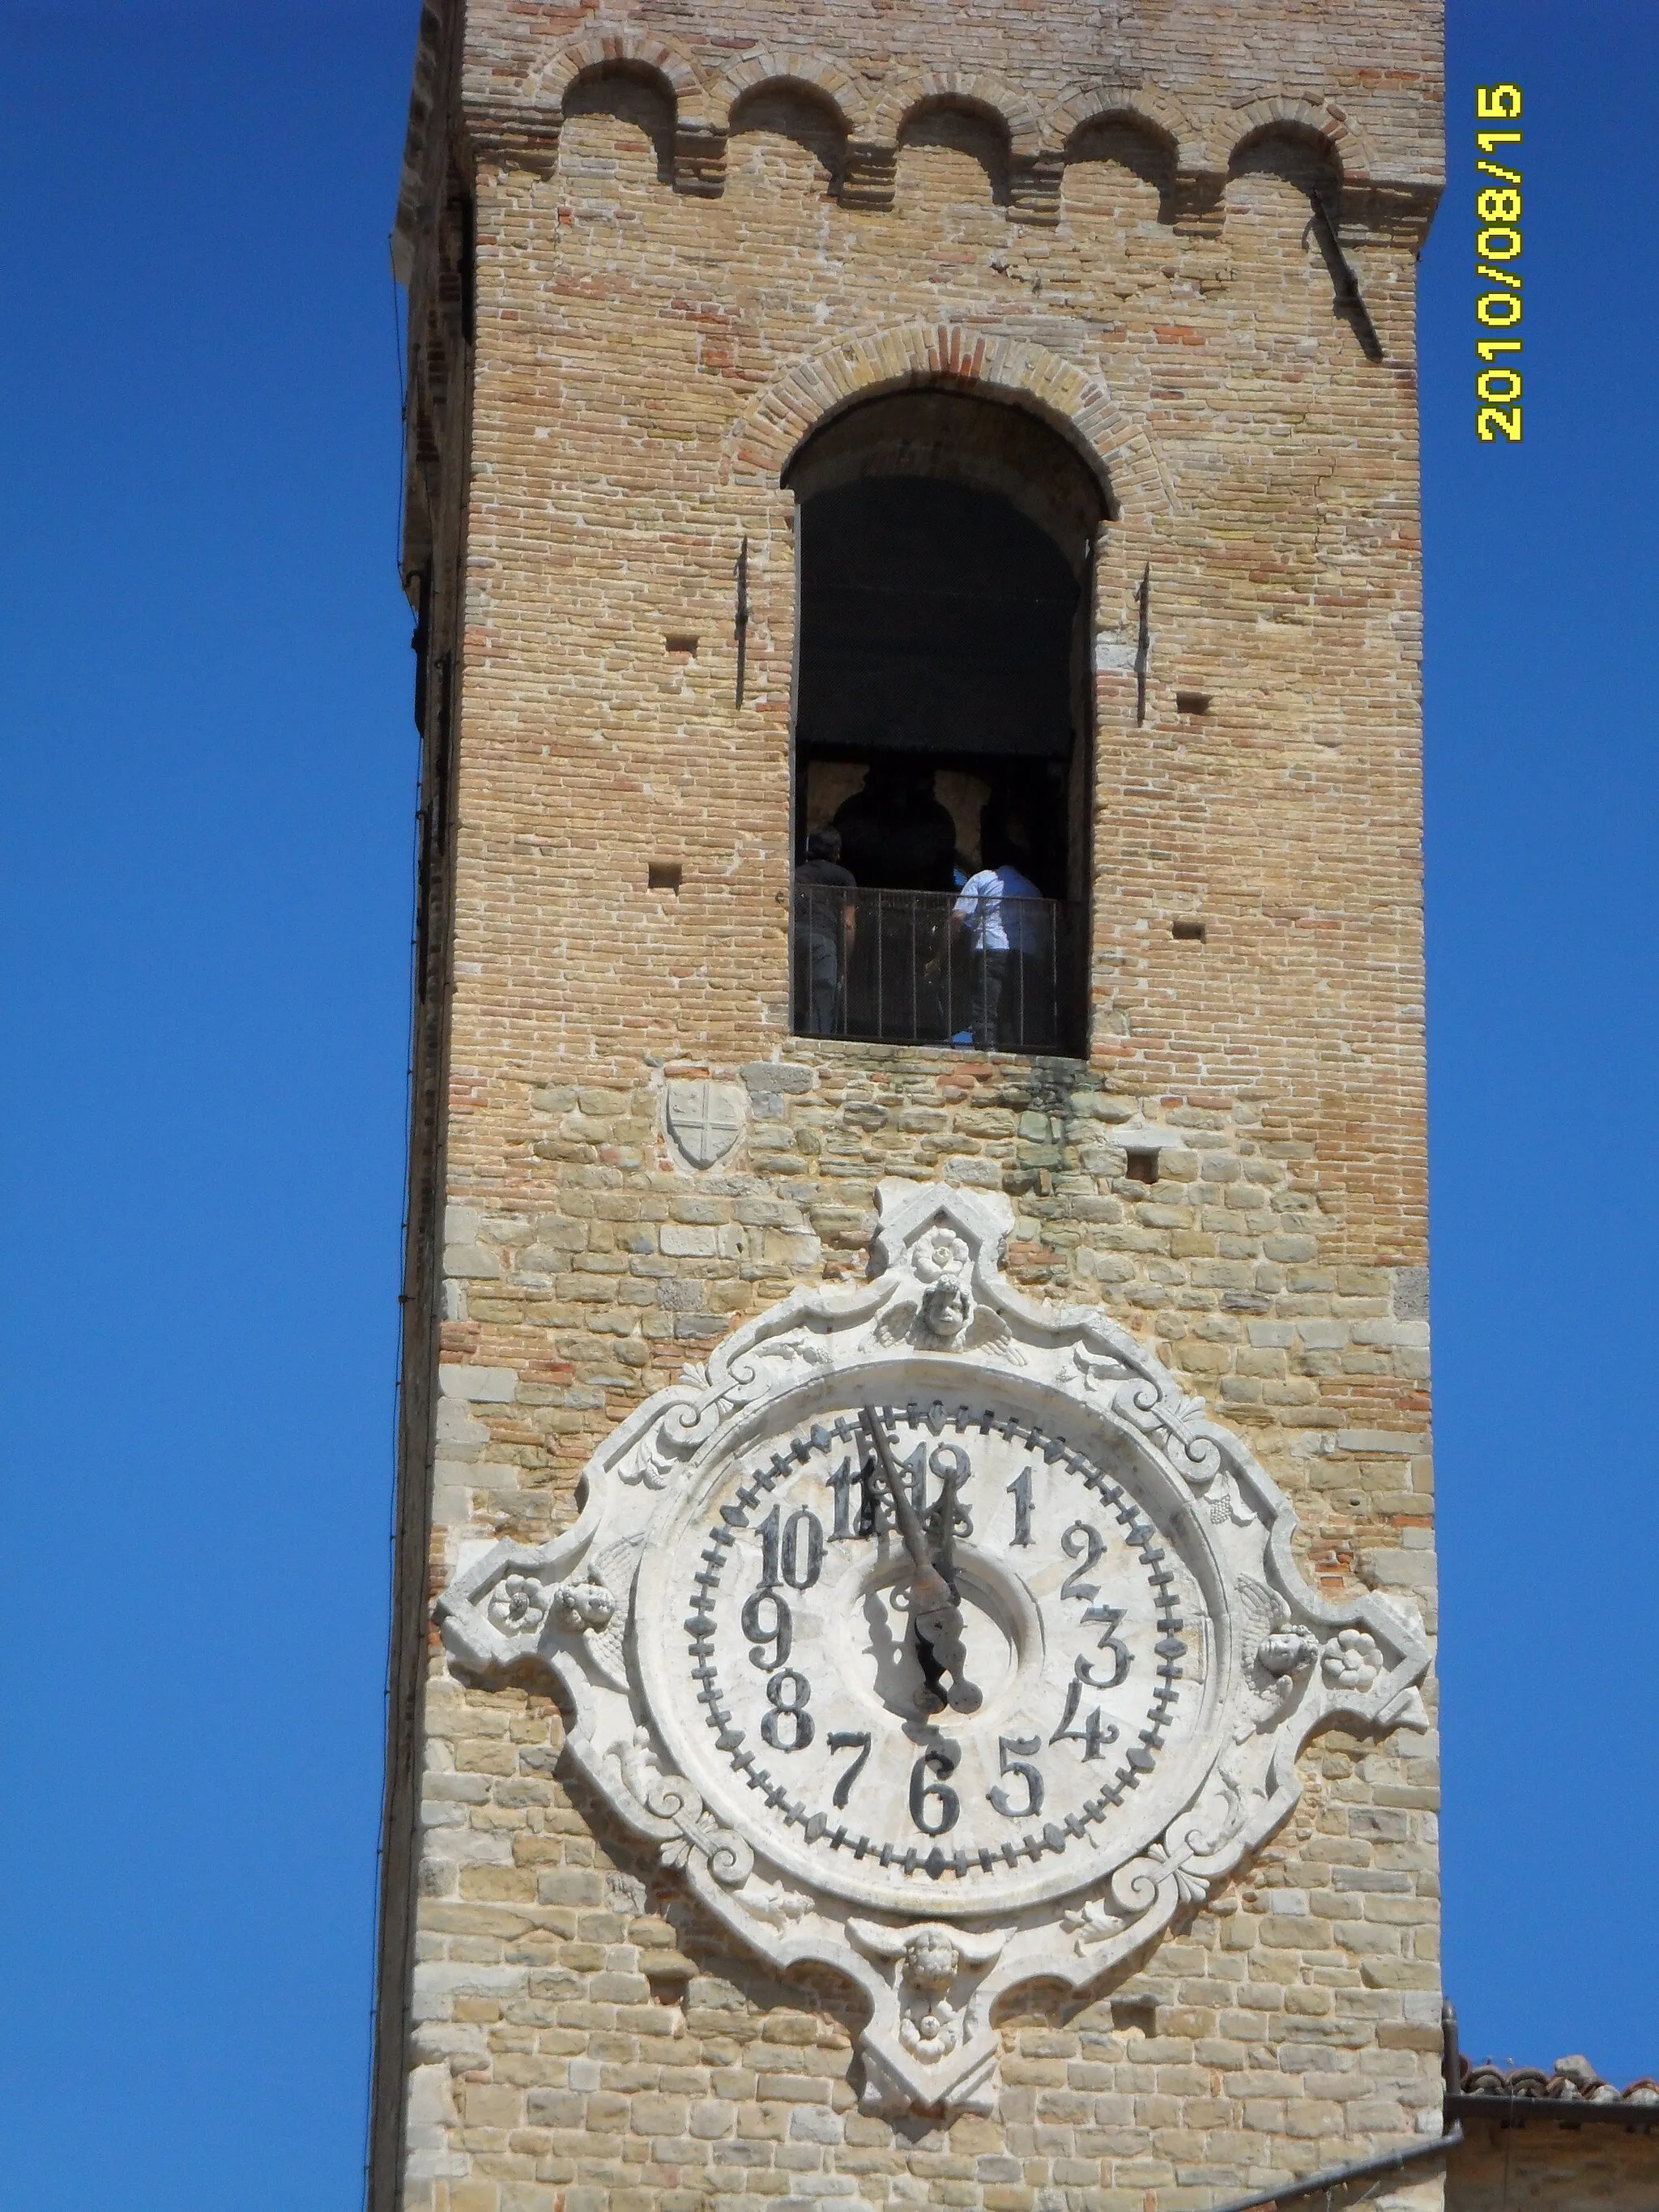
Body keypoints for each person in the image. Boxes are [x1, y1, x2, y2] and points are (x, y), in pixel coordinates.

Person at [950, 829, 1050, 1051]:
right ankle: (1022, 1050)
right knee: (1020, 1007)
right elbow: (1043, 928)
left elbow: (958, 916)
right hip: (1027, 954)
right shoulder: (1031, 889)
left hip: (991, 949)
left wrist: (946, 951)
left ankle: (987, 1051)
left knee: (987, 1005)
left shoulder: (983, 879)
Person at [793, 826, 856, 1035]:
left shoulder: (796, 874)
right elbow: (849, 924)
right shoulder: (844, 877)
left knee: (793, 992)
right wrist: (844, 965)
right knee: (822, 993)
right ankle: (816, 1042)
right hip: (822, 940)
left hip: (792, 937)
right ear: (837, 853)